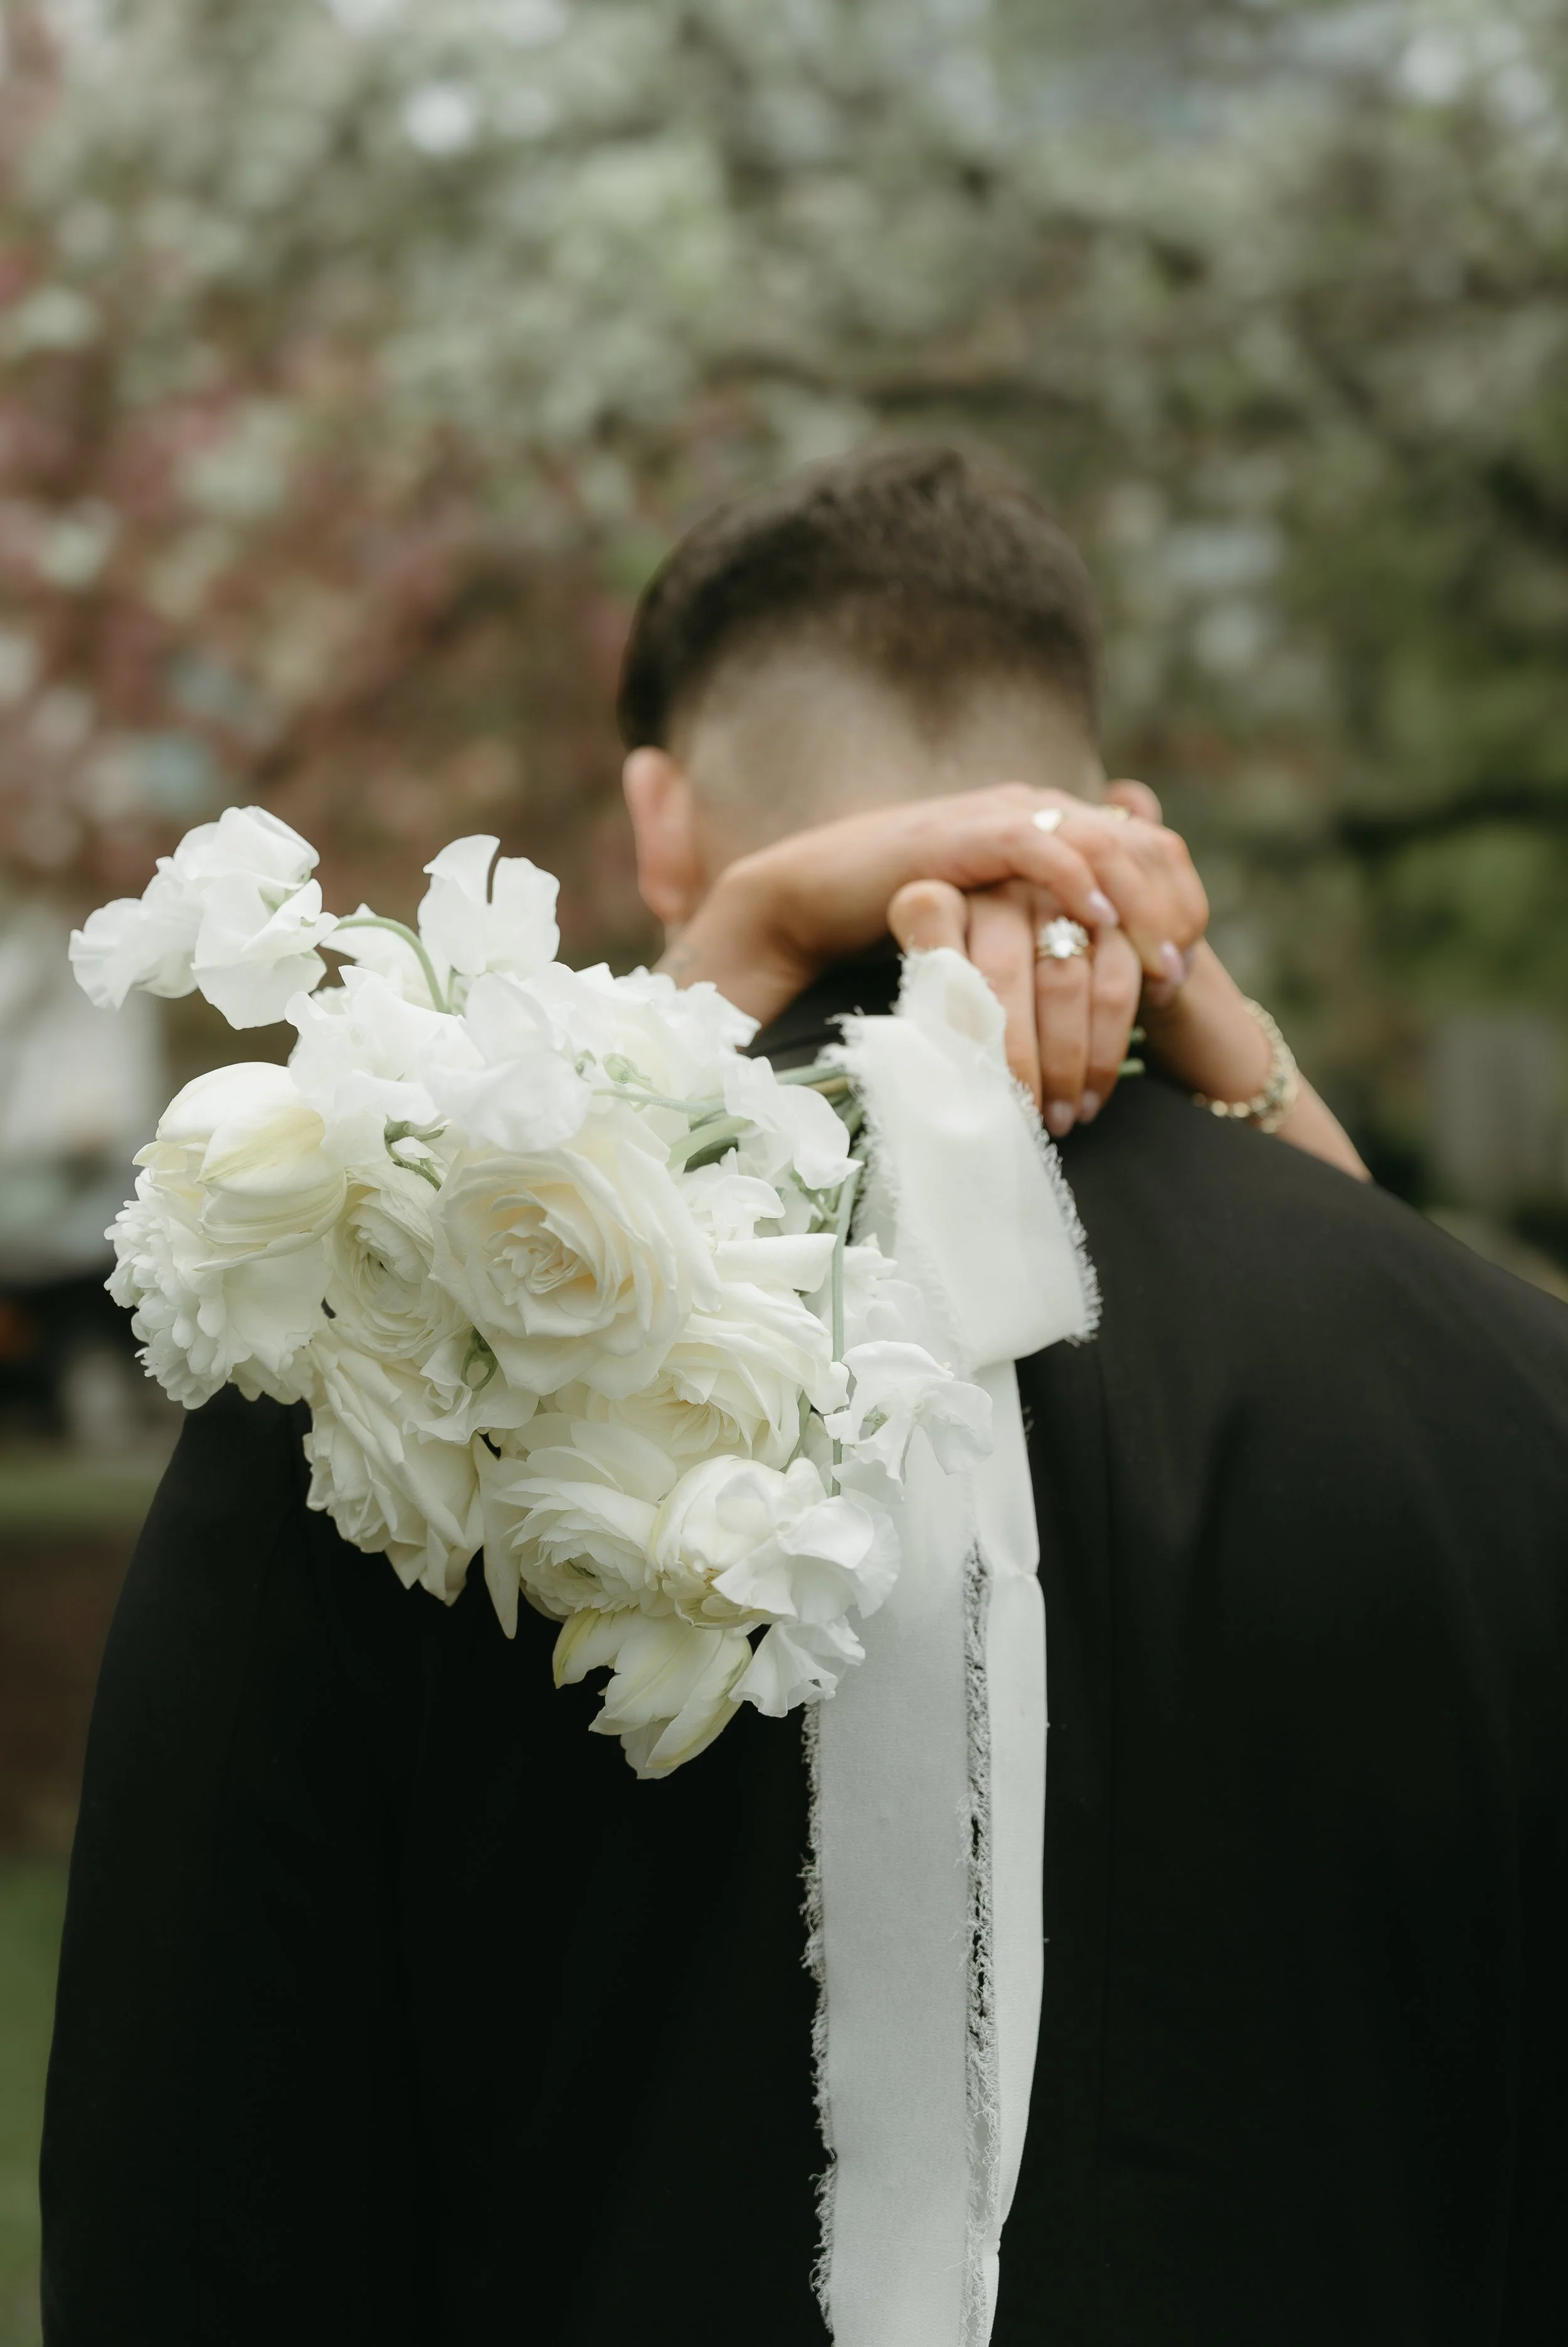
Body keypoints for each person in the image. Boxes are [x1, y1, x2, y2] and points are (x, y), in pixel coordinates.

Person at [40, 448, 1568, 2346]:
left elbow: (195, 2221)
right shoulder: (1509, 1398)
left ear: (660, 818)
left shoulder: (375, 1361)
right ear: (1114, 821)